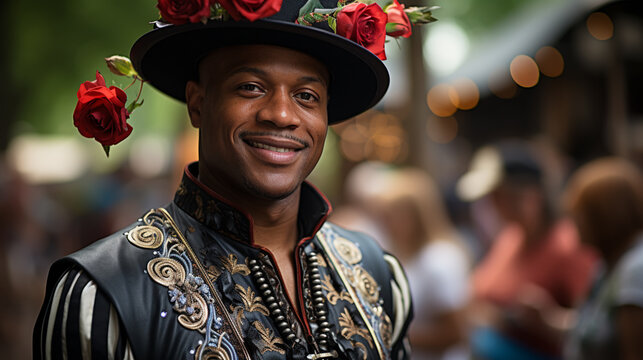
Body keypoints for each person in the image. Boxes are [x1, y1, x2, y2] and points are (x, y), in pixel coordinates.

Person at [32, 1, 435, 358]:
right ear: (198, 103)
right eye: (250, 87)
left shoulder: (378, 274)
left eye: (307, 96)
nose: (281, 114)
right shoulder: (102, 295)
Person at [457, 141, 597, 360]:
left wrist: (549, 319)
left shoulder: (568, 246)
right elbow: (479, 291)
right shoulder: (510, 237)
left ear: (531, 195)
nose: (492, 205)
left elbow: (596, 324)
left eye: (499, 195)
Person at [373, 168, 471, 360]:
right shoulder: (400, 253)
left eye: (392, 215)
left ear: (417, 215)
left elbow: (457, 333)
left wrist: (390, 335)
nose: (386, 223)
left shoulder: (439, 260)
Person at [563, 157, 643, 360]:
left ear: (605, 215)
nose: (574, 225)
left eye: (579, 215)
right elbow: (590, 330)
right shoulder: (606, 264)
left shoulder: (634, 271)